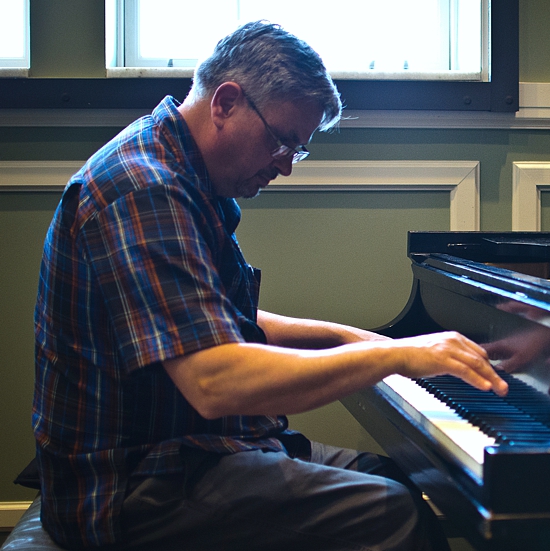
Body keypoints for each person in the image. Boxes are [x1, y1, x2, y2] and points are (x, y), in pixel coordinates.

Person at [31, 20, 506, 551]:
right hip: (132, 486)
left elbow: (223, 322)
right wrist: (394, 360)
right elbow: (215, 381)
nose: (285, 167)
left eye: (298, 151)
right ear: (226, 102)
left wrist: (363, 341)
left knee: (402, 479)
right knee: (391, 514)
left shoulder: (180, 173)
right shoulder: (144, 189)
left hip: (196, 450)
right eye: (282, 141)